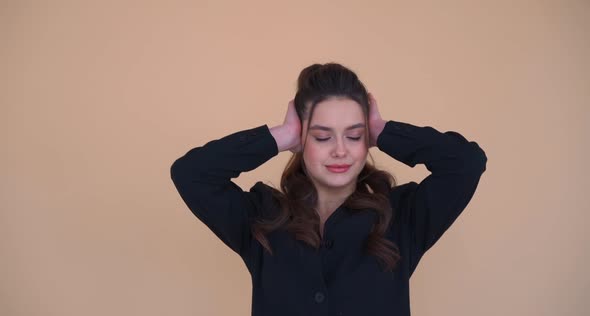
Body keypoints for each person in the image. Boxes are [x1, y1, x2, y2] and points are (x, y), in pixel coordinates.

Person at [170, 62, 487, 316]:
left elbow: (466, 163)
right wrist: (281, 136)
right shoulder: (262, 220)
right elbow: (191, 173)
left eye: (354, 136)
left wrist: (384, 131)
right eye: (322, 136)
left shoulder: (401, 218)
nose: (340, 150)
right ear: (301, 139)